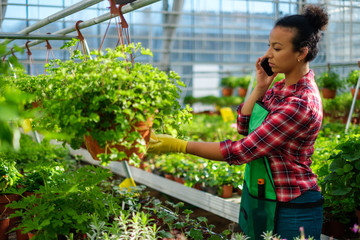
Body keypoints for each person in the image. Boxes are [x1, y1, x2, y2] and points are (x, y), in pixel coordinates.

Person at [148, 5, 328, 240]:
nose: (268, 55)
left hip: (292, 207)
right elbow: (245, 125)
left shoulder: (300, 103)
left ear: (301, 53)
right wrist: (260, 87)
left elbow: (243, 150)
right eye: (269, 46)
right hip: (268, 197)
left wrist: (179, 145)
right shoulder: (280, 87)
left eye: (277, 48)